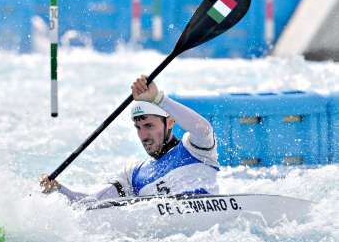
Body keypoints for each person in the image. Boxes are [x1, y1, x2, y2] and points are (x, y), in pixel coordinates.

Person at [40, 75, 219, 202]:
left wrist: (158, 99)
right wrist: (58, 189)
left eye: (149, 126)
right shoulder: (134, 174)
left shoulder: (195, 150)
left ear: (170, 121)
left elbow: (204, 130)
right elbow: (92, 203)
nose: (143, 136)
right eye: (138, 128)